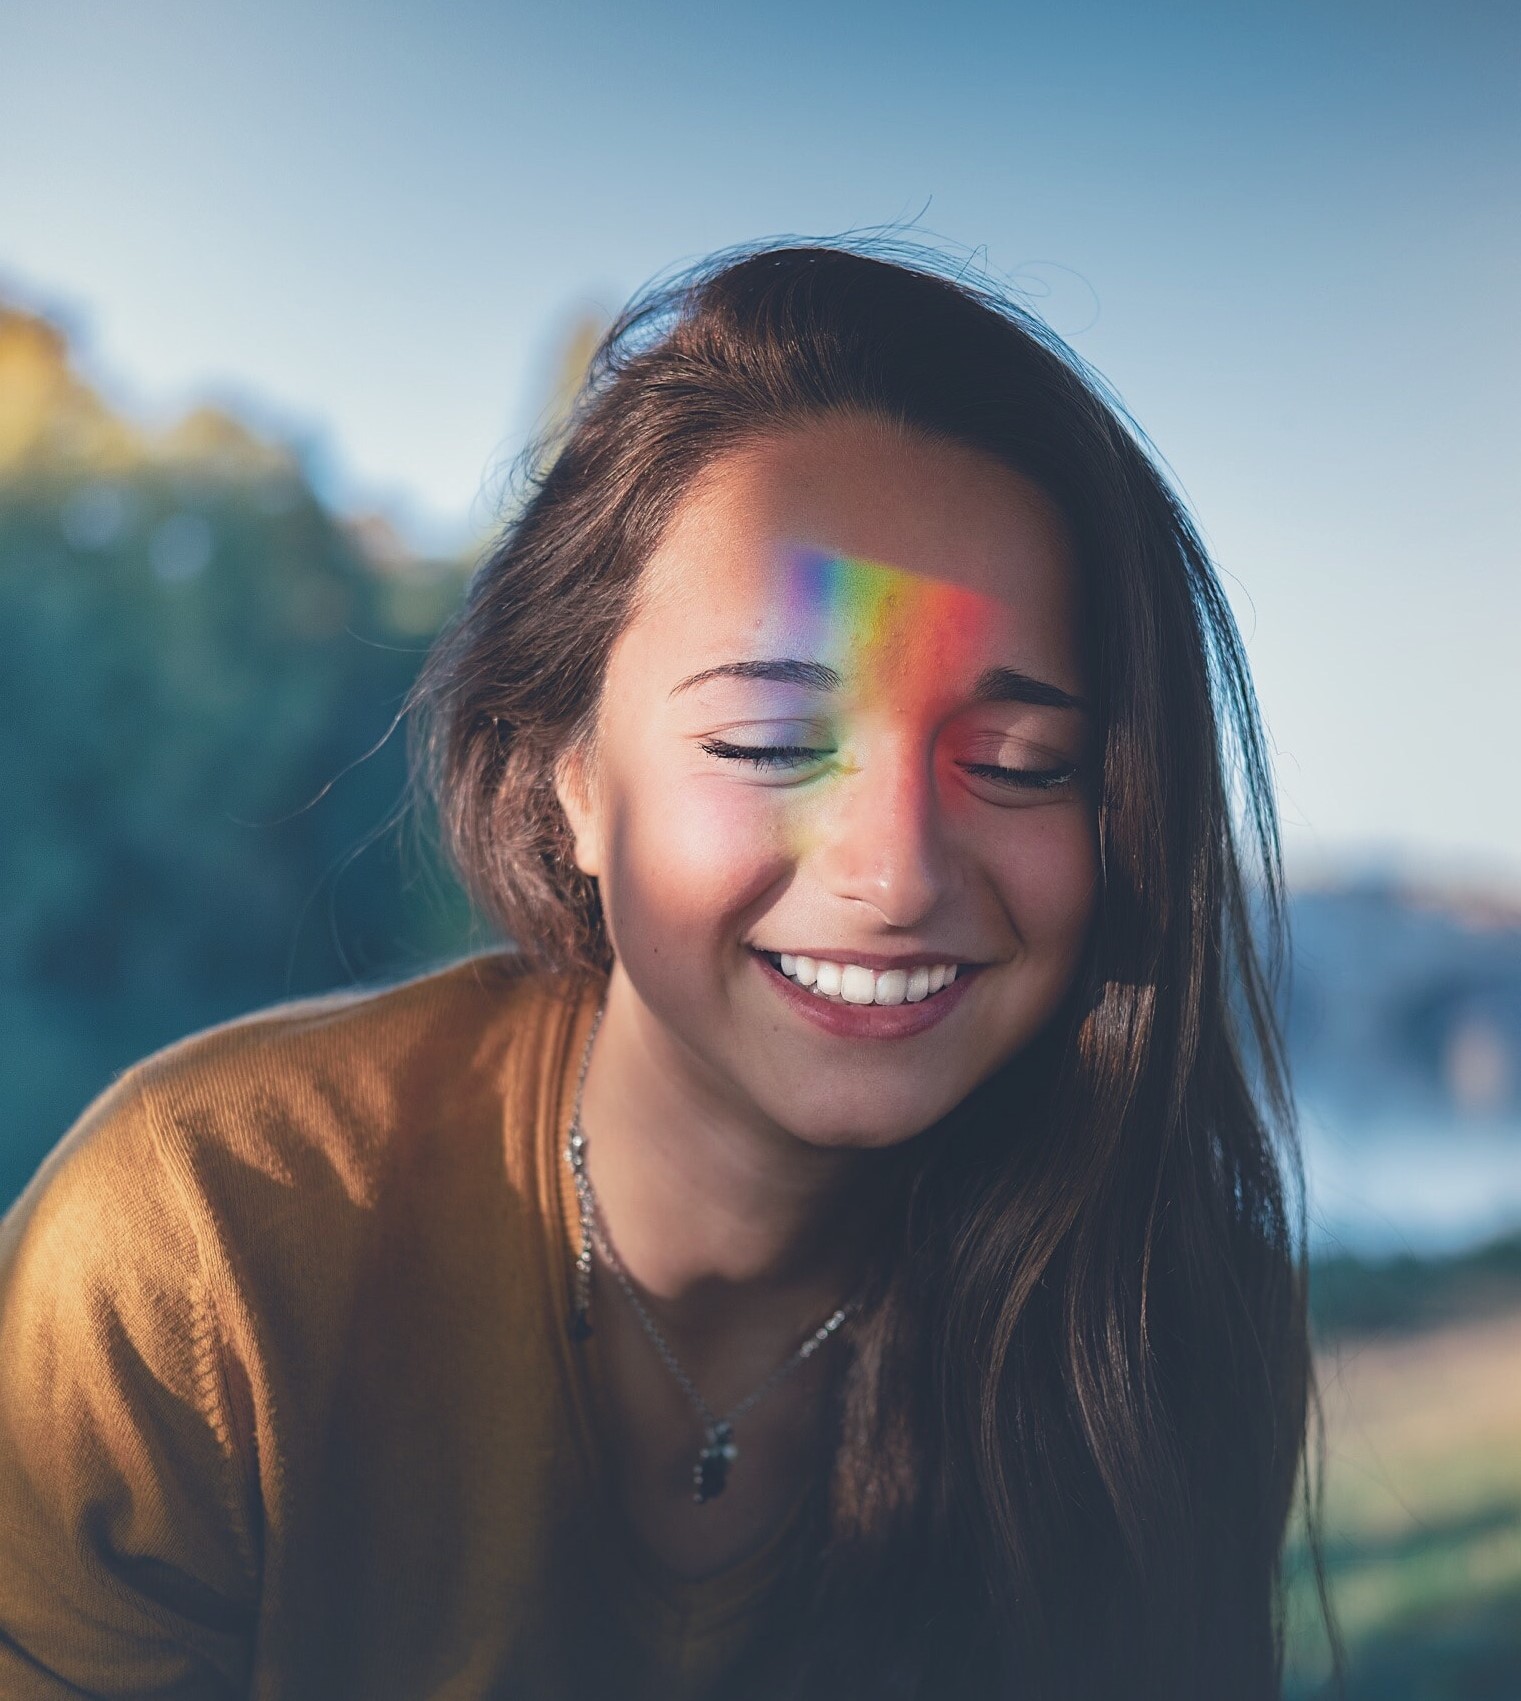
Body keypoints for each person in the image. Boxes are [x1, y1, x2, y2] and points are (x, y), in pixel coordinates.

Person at [0, 243, 1315, 1699]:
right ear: (566, 767)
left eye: (1017, 763)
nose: (895, 871)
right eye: (764, 743)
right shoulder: (200, 1260)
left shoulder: (1148, 1322)